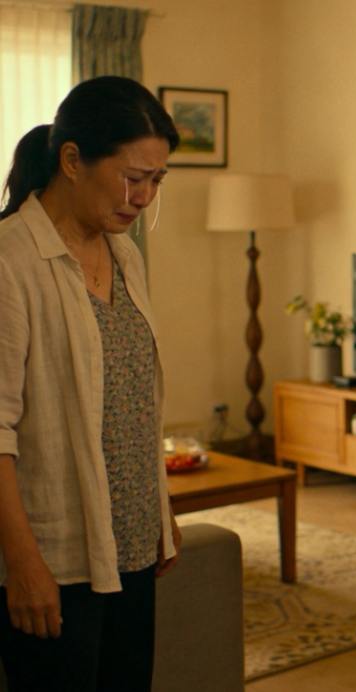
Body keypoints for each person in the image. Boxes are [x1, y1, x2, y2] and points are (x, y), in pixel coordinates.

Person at [0, 75, 183, 692]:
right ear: (73, 160)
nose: (144, 197)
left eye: (157, 181)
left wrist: (159, 507)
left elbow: (135, 401)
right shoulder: (10, 262)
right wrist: (23, 564)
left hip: (132, 542)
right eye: (133, 178)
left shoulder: (125, 255)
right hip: (54, 554)